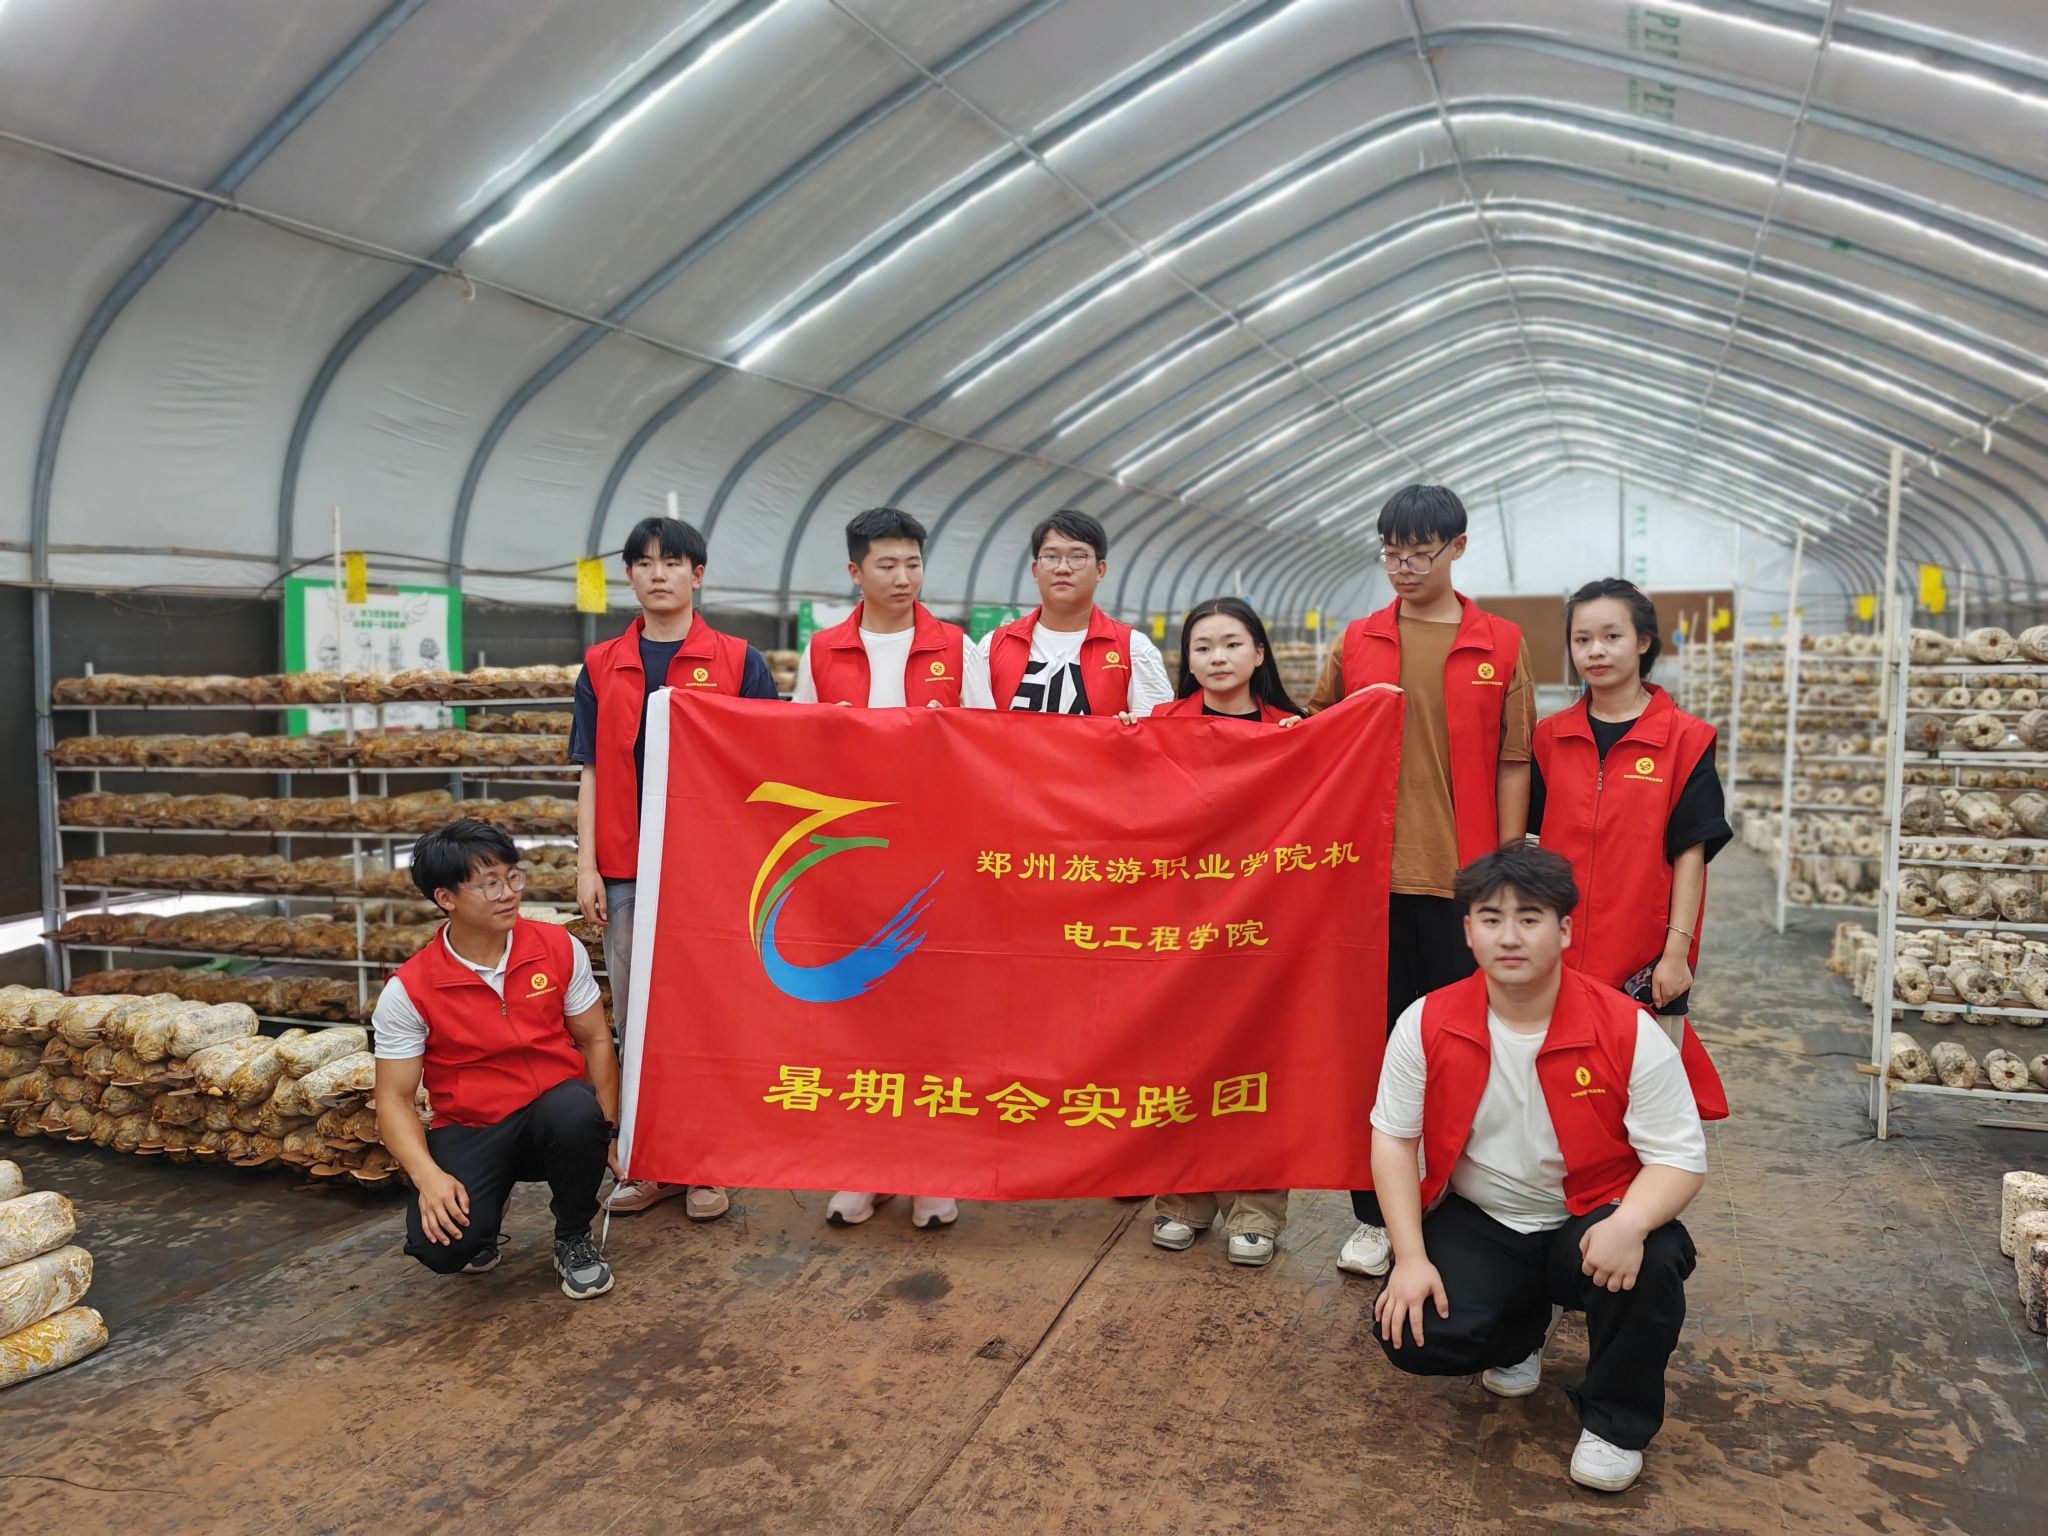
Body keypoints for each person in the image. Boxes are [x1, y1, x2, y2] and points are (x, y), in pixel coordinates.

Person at [1370, 843, 1706, 1494]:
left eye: (1530, 918)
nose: (1510, 936)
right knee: (1415, 1333)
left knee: (1654, 1259)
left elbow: (1679, 1157)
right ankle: (1520, 1333)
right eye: (1491, 918)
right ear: (1468, 932)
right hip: (1484, 1217)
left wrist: (1630, 1222)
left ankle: (1615, 1423)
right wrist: (1408, 1256)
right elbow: (1393, 1139)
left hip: (1591, 1216)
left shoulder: (1627, 1029)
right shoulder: (1426, 1022)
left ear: (1565, 930)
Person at [1306, 484, 1536, 1280]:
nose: (1403, 567)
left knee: (1458, 1050)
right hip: (1367, 884)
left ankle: (1456, 1209)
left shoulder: (1500, 644)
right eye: (1391, 553)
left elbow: (1514, 758)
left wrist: (1504, 873)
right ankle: (1374, 1217)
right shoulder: (1359, 640)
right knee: (1373, 1054)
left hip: (1462, 887)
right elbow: (1314, 734)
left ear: (1457, 548)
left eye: (1419, 552)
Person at [569, 513, 781, 1218]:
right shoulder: (602, 664)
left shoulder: (739, 661)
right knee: (638, 1017)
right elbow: (591, 770)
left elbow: (770, 765)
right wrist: (588, 866)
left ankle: (707, 1161)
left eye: (672, 562)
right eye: (644, 563)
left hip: (711, 870)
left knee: (708, 1011)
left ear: (698, 574)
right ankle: (648, 1159)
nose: (658, 574)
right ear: (629, 577)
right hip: (627, 867)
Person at [792, 506, 994, 1229]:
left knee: (934, 1018)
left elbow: (991, 746)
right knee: (860, 1014)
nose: (903, 576)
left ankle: (931, 1171)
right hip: (850, 864)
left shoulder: (957, 649)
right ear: (856, 571)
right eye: (887, 564)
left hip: (936, 862)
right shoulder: (822, 652)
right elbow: (796, 748)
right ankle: (866, 1167)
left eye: (913, 562)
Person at [371, 820, 625, 1300]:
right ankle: (487, 1211)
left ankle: (573, 1235)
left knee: (576, 1111)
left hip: (553, 1114)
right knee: (442, 1248)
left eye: (513, 877)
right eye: (489, 884)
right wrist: (430, 1178)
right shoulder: (410, 988)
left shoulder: (557, 947)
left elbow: (595, 1040)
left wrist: (607, 1131)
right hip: (472, 1126)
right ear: (445, 898)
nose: (509, 893)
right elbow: (394, 1099)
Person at [1134, 597, 1302, 1266]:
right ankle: (1182, 1199)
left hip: (1264, 926)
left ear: (1259, 653)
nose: (1217, 658)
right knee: (1181, 1059)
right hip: (1179, 922)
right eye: (1202, 647)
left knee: (1258, 1065)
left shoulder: (1296, 732)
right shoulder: (1157, 726)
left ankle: (1256, 1208)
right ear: (1187, 660)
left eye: (1232, 644)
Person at [1531, 579, 1731, 1118]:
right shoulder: (1549, 738)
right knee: (1559, 1097)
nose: (1595, 651)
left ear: (1643, 641)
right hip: (1558, 954)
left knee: (1643, 1103)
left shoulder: (1687, 740)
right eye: (1581, 640)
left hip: (1642, 959)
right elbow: (1528, 840)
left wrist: (1676, 954)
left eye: (1611, 636)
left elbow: (1691, 854)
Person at [977, 508, 1175, 717]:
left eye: (1077, 557)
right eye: (1051, 556)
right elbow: (973, 725)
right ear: (1035, 570)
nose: (1063, 568)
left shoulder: (1134, 650)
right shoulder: (992, 647)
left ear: (1100, 570)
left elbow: (1156, 730)